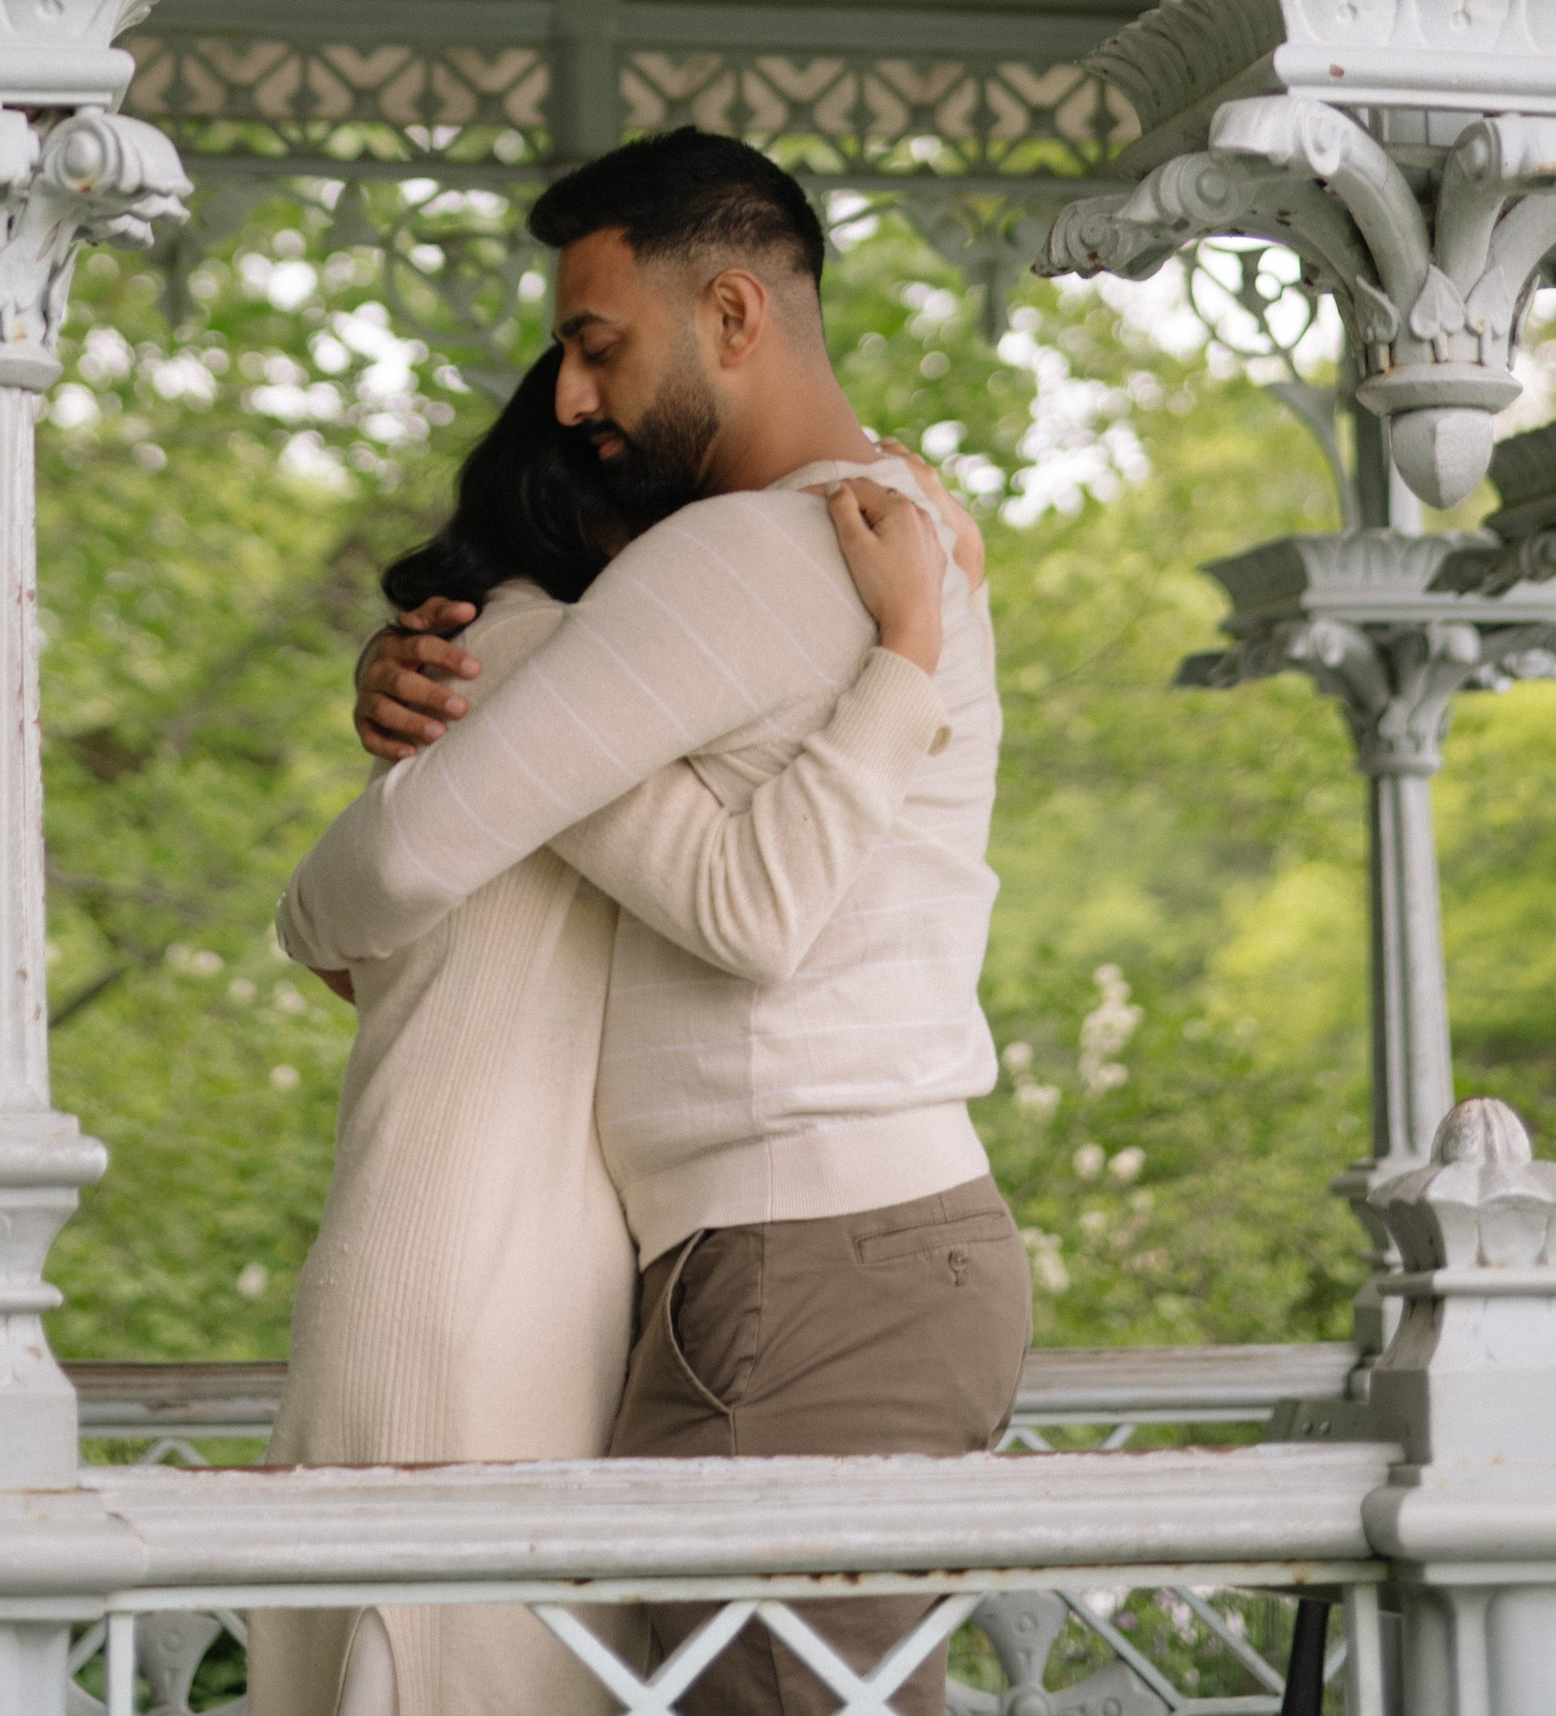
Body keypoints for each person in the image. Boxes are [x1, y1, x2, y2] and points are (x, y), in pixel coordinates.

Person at [283, 131, 1026, 1716]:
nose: (571, 395)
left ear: (733, 313)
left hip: (808, 1251)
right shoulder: (875, 527)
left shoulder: (746, 555)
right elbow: (704, 872)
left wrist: (472, 687)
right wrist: (467, 683)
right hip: (820, 1249)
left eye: (596, 342)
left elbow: (421, 883)